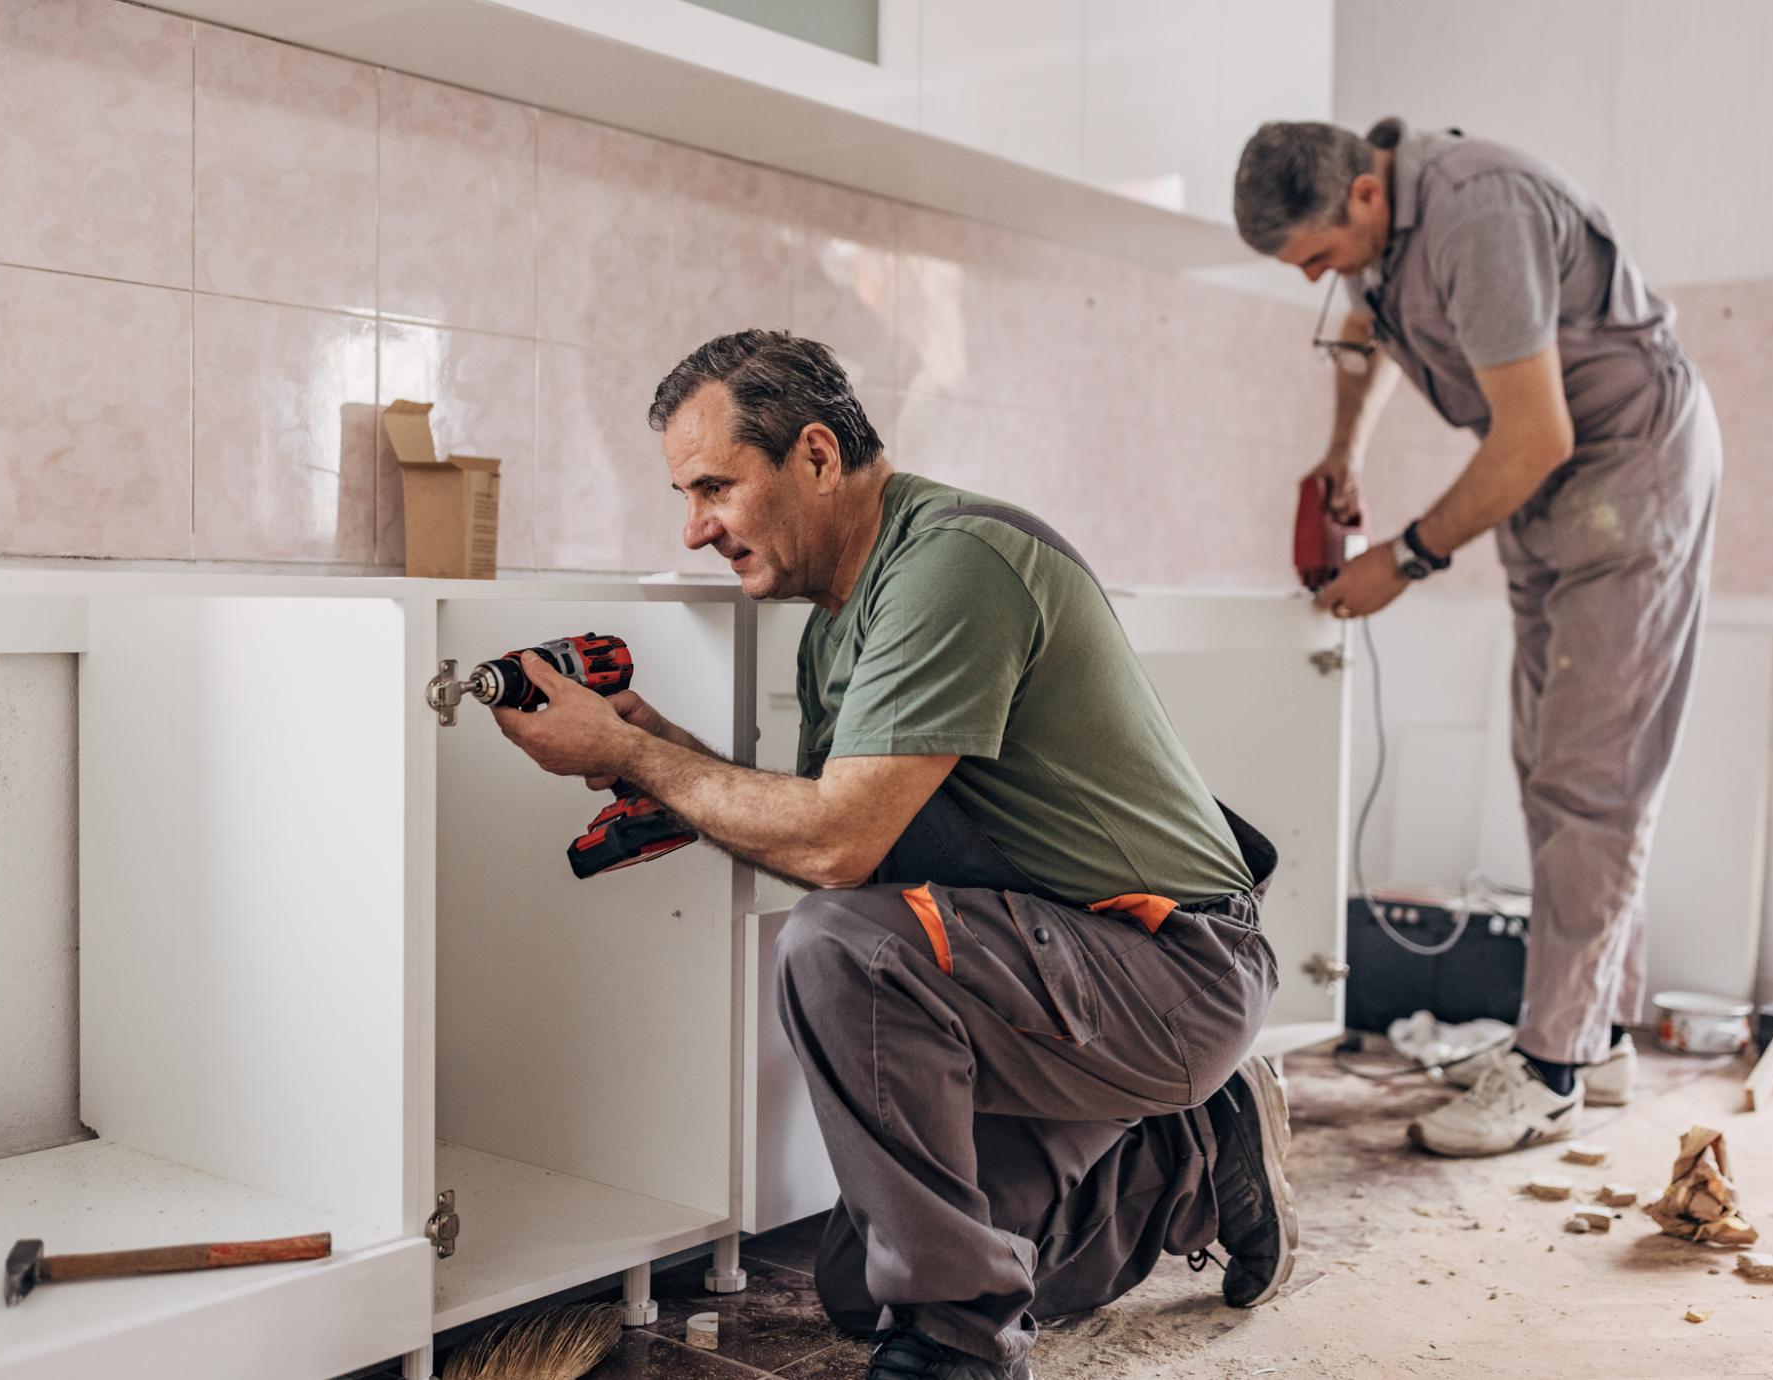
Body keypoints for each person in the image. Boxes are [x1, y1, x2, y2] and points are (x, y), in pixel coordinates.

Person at [490, 329, 1298, 1378]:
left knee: (840, 952)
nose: (695, 528)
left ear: (817, 457)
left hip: (1169, 972)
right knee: (856, 1282)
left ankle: (962, 1351)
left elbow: (835, 853)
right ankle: (1194, 1158)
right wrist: (658, 763)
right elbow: (854, 846)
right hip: (1052, 977)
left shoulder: (953, 563)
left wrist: (632, 754)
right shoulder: (838, 625)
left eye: (713, 488)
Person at [1232, 119, 1721, 1156]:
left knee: (1591, 773)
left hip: (1622, 470)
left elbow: (1533, 433)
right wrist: (1340, 457)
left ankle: (1547, 1068)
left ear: (1364, 196)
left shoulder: (1476, 213)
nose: (1320, 280)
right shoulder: (1381, 230)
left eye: (1317, 257)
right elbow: (1363, 329)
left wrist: (1402, 558)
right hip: (1554, 487)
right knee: (1548, 763)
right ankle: (1597, 1033)